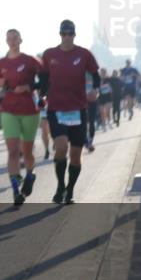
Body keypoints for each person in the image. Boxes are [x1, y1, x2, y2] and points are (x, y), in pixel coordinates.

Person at [39, 20, 100, 205]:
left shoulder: (84, 54)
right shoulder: (50, 54)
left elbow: (96, 75)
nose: (66, 37)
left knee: (75, 154)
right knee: (61, 147)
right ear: (59, 35)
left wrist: (95, 90)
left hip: (79, 109)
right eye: (63, 34)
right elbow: (43, 78)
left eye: (69, 33)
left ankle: (70, 190)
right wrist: (42, 96)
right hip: (56, 108)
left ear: (74, 35)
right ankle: (59, 186)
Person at [0, 29, 41, 206]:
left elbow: (45, 79)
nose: (12, 41)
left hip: (29, 110)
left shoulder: (30, 60)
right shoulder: (1, 63)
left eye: (15, 38)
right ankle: (15, 191)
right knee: (13, 151)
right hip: (9, 110)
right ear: (6, 41)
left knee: (27, 152)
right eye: (9, 39)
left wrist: (29, 86)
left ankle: (30, 174)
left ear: (21, 40)